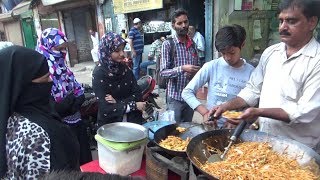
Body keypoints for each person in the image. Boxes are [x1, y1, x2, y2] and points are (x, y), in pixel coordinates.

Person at [208, 0, 320, 154]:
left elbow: (305, 112)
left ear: (312, 22)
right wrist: (226, 106)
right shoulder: (271, 53)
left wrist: (258, 112)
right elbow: (253, 89)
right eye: (281, 21)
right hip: (264, 141)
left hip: (298, 150)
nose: (282, 27)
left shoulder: (316, 61)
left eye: (291, 21)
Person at [0, 46, 80, 179]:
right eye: (46, 79)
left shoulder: (7, 119)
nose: (51, 81)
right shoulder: (40, 134)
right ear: (23, 85)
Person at [36, 28, 92, 165]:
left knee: (85, 162)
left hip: (77, 121)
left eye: (64, 48)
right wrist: (65, 105)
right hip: (59, 129)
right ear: (47, 47)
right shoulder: (40, 71)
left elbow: (77, 88)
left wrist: (77, 99)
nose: (63, 52)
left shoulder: (63, 67)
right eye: (59, 48)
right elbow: (47, 105)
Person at [182, 24, 254, 128]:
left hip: (238, 130)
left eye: (232, 52)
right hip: (212, 127)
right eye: (223, 53)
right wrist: (205, 113)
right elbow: (187, 92)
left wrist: (242, 119)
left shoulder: (251, 72)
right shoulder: (211, 67)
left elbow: (253, 104)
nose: (227, 57)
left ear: (242, 45)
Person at [92, 32, 146, 127]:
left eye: (123, 49)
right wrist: (133, 105)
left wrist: (117, 102)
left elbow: (138, 95)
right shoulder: (99, 73)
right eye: (117, 50)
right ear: (107, 51)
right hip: (111, 127)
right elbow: (106, 108)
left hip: (132, 122)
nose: (122, 54)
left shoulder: (124, 68)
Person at [160, 9, 200, 122]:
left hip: (190, 97)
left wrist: (194, 72)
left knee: (187, 129)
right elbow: (163, 72)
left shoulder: (193, 44)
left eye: (186, 22)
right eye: (179, 23)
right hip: (175, 98)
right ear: (173, 25)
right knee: (173, 131)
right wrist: (182, 69)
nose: (184, 25)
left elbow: (197, 66)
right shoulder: (168, 44)